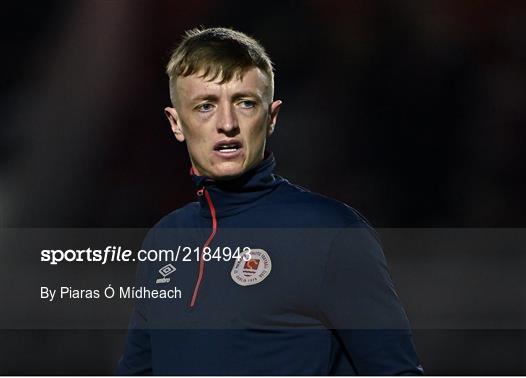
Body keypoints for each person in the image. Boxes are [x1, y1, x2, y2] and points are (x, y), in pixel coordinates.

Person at [116, 27, 423, 375]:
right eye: (205, 106)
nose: (227, 123)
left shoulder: (331, 232)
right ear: (176, 123)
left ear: (272, 117)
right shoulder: (164, 238)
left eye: (245, 103)